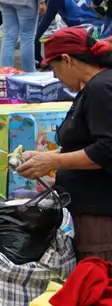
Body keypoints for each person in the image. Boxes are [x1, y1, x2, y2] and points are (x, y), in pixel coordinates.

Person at [16, 27, 112, 261]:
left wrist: (53, 160)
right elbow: (87, 142)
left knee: (96, 276)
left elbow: (107, 150)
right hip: (84, 205)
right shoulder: (92, 86)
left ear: (67, 60)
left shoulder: (101, 89)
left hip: (99, 213)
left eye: (55, 68)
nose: (56, 77)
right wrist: (45, 158)